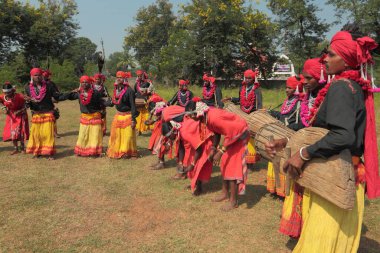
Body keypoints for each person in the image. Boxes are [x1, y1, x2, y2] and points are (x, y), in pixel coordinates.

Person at [266, 29, 380, 252]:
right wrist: (288, 141)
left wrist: (302, 154)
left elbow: (342, 135)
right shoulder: (351, 87)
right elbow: (320, 132)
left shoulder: (341, 88)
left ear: (346, 60)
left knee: (320, 243)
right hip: (345, 174)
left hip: (335, 176)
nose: (324, 59)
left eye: (330, 55)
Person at [186, 99, 249, 211]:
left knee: (232, 167)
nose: (190, 119)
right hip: (233, 135)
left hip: (240, 135)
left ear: (196, 112)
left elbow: (232, 132)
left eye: (191, 116)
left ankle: (233, 201)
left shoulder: (213, 117)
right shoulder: (206, 117)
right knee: (224, 163)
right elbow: (217, 132)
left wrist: (221, 151)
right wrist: (213, 148)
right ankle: (225, 193)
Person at [266, 76, 303, 198]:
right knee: (275, 160)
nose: (286, 90)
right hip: (281, 134)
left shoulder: (300, 102)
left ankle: (285, 190)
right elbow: (283, 115)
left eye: (290, 88)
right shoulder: (288, 101)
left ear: (297, 88)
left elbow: (302, 123)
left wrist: (290, 127)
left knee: (285, 162)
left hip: (290, 137)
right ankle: (276, 188)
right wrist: (271, 112)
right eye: (286, 87)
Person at [24, 68, 68, 159]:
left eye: (39, 75)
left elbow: (57, 96)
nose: (38, 77)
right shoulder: (27, 87)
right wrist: (27, 102)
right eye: (35, 75)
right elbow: (27, 101)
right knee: (37, 135)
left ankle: (49, 153)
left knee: (47, 134)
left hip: (48, 112)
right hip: (36, 114)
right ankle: (38, 152)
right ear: (32, 76)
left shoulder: (49, 85)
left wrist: (70, 94)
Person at [66, 75, 112, 157]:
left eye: (86, 82)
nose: (84, 84)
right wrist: (72, 92)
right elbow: (69, 97)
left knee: (94, 135)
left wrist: (110, 103)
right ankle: (82, 150)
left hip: (95, 117)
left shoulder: (96, 93)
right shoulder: (79, 93)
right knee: (83, 135)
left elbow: (102, 102)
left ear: (90, 83)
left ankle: (95, 151)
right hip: (85, 117)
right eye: (82, 82)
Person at [224, 69, 262, 167]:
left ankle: (250, 162)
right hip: (242, 116)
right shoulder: (242, 88)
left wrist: (257, 117)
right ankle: (241, 157)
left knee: (250, 138)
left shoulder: (257, 89)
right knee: (241, 137)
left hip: (252, 117)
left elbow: (259, 105)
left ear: (253, 79)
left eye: (250, 78)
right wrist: (231, 99)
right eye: (246, 78)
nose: (248, 80)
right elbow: (241, 101)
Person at [180, 98, 214, 196]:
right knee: (194, 164)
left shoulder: (188, 127)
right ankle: (196, 184)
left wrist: (193, 163)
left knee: (199, 165)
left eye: (190, 114)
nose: (189, 116)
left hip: (205, 143)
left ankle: (199, 186)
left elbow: (199, 148)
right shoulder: (187, 123)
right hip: (197, 143)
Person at [107, 71, 139, 159]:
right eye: (117, 77)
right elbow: (113, 102)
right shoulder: (116, 90)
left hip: (128, 116)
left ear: (124, 79)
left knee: (128, 136)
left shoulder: (130, 91)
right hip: (118, 116)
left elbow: (133, 106)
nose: (118, 79)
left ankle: (128, 152)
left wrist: (133, 119)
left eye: (120, 77)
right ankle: (120, 151)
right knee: (118, 135)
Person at [0, 82, 29, 154]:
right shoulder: (2, 96)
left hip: (21, 115)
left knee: (21, 132)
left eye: (8, 92)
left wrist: (21, 110)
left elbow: (28, 104)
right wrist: (4, 108)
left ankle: (22, 148)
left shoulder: (19, 96)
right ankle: (15, 148)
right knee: (13, 132)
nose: (6, 94)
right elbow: (0, 102)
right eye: (5, 92)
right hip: (11, 116)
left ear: (12, 91)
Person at [134, 70, 154, 135]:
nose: (139, 77)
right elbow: (135, 92)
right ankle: (138, 130)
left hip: (145, 102)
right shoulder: (136, 84)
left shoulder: (148, 83)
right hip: (138, 102)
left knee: (146, 115)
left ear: (143, 76)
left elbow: (151, 92)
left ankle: (151, 129)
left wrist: (148, 95)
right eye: (138, 76)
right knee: (138, 116)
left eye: (140, 76)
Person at [42, 69, 61, 138]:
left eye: (45, 76)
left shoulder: (51, 83)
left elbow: (56, 92)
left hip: (49, 103)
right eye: (43, 76)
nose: (44, 77)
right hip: (40, 104)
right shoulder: (37, 84)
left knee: (52, 118)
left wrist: (54, 98)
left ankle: (55, 133)